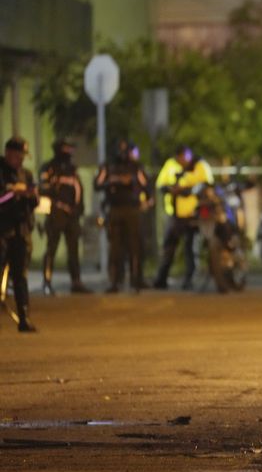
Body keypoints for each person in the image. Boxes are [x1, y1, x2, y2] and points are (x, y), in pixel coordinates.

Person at [153, 145, 213, 290]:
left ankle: (189, 280)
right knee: (169, 247)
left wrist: (186, 190)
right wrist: (171, 190)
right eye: (180, 158)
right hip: (175, 214)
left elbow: (207, 184)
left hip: (194, 214)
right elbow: (161, 185)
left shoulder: (200, 165)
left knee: (190, 248)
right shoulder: (171, 165)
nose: (183, 161)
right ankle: (161, 279)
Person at [94, 140, 150, 293]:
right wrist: (113, 182)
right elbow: (97, 185)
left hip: (132, 209)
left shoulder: (135, 168)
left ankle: (136, 279)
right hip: (114, 209)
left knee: (135, 246)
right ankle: (115, 281)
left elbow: (146, 185)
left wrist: (145, 201)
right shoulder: (108, 167)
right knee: (115, 248)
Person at [39, 139, 92, 295]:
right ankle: (46, 282)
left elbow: (79, 191)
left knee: (73, 249)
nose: (70, 151)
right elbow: (42, 188)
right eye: (67, 148)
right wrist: (55, 194)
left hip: (72, 215)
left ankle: (76, 281)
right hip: (55, 213)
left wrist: (78, 209)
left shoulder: (72, 169)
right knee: (51, 249)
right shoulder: (49, 168)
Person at [0, 137, 38, 332]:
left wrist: (30, 195)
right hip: (2, 230)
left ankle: (24, 317)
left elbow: (35, 201)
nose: (20, 159)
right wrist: (13, 193)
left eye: (22, 156)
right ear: (8, 153)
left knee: (20, 277)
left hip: (21, 231)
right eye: (17, 155)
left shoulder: (26, 174)